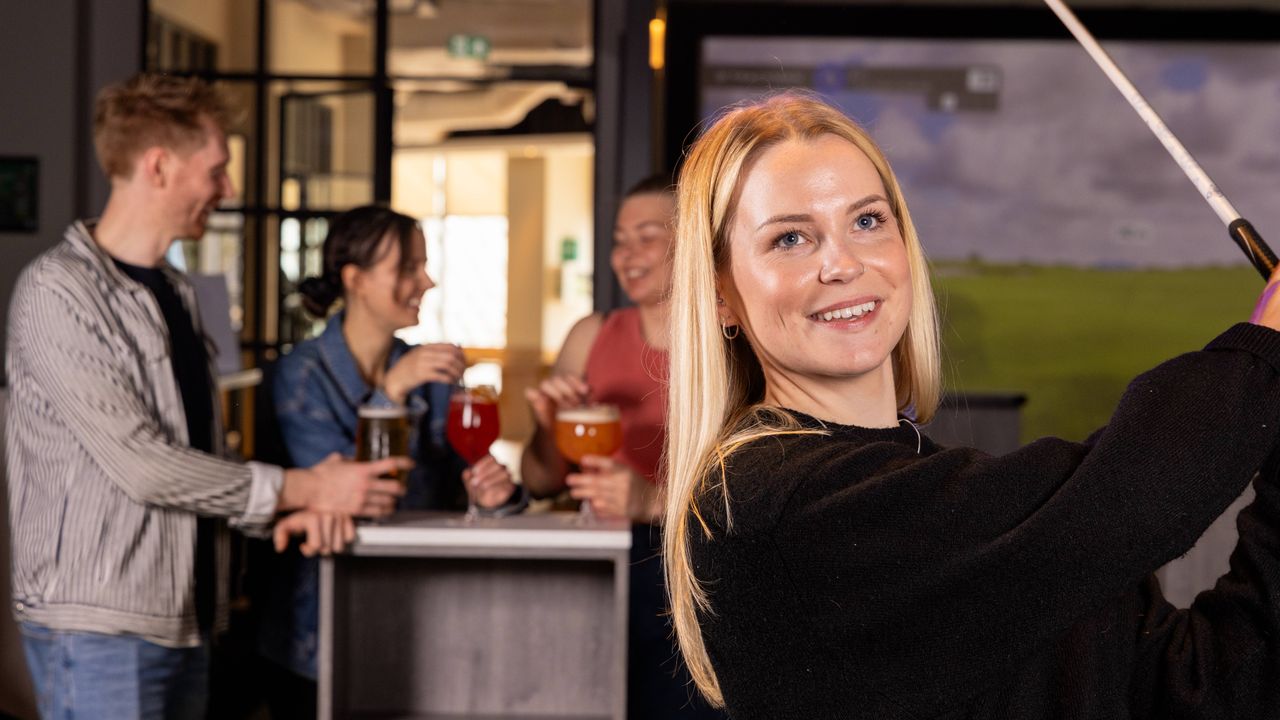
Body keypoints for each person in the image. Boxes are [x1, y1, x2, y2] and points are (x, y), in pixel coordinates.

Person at [662, 91, 1280, 719]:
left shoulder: (971, 512)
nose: (843, 264)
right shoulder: (764, 502)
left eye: (869, 221)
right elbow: (1119, 498)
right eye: (791, 238)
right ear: (719, 293)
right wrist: (1267, 353)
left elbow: (1206, 686)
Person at [4, 74, 404, 720]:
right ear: (158, 167)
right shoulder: (57, 293)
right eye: (216, 170)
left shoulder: (177, 293)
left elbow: (193, 459)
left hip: (183, 622)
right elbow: (145, 466)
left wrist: (280, 512)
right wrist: (305, 489)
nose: (230, 190)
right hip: (101, 634)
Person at [259, 204, 527, 715]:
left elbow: (465, 489)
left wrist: (496, 496)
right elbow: (357, 497)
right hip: (318, 633)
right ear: (355, 279)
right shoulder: (300, 376)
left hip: (425, 617)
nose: (427, 280)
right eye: (407, 267)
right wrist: (394, 391)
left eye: (423, 265)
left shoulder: (430, 369)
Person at [521, 175, 723, 719]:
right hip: (594, 560)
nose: (627, 255)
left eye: (646, 237)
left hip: (691, 566)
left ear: (689, 243)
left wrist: (650, 501)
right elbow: (540, 480)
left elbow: (757, 484)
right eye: (619, 239)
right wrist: (546, 428)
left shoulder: (728, 345)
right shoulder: (590, 335)